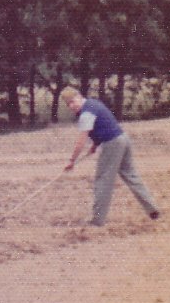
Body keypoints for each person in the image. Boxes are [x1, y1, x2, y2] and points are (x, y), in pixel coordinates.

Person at [61, 87, 161, 226]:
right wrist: (95, 145)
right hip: (123, 139)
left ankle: (97, 221)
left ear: (79, 96)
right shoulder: (93, 103)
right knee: (131, 175)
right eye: (68, 104)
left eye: (72, 101)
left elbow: (81, 140)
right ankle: (152, 209)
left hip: (112, 143)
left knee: (103, 180)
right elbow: (102, 124)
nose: (71, 106)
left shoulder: (86, 114)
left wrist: (72, 161)